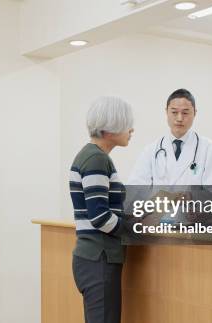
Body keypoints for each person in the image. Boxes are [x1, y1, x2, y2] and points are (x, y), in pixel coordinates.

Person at [69, 96, 134, 323]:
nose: (131, 129)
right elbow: (99, 216)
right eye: (126, 124)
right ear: (110, 127)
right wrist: (133, 229)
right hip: (99, 260)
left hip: (95, 259)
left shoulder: (93, 156)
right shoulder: (96, 159)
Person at [128, 88, 212, 186]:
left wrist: (192, 197)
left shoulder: (210, 149)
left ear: (195, 113)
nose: (179, 118)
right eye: (174, 112)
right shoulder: (150, 151)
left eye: (185, 113)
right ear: (166, 112)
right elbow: (136, 191)